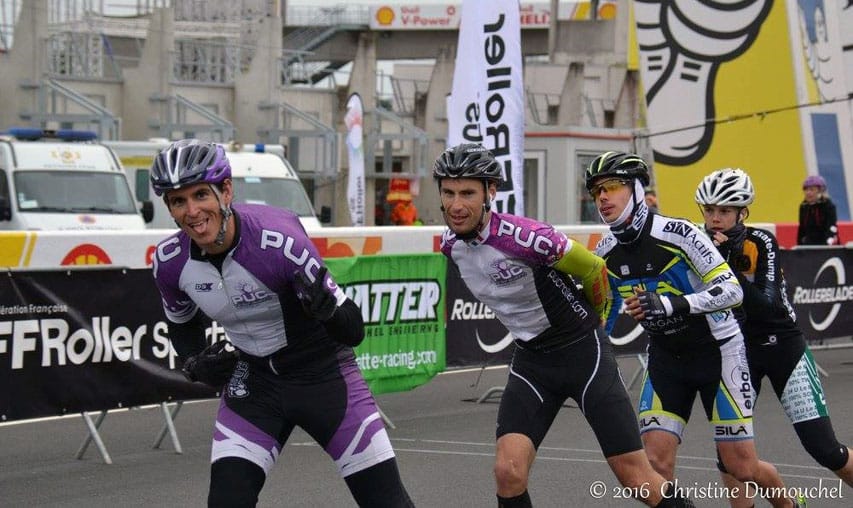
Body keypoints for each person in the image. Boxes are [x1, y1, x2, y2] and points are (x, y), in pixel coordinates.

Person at [149, 139, 413, 507]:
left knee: (387, 503)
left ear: (226, 191)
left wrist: (330, 313)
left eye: (200, 195)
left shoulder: (279, 242)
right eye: (179, 201)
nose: (192, 212)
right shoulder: (170, 262)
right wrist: (195, 362)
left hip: (323, 376)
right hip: (255, 382)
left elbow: (354, 330)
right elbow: (181, 325)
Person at [434, 143, 694, 508]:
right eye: (448, 193)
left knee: (637, 479)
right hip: (532, 362)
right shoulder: (450, 244)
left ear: (490, 192)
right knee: (508, 473)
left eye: (468, 193)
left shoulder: (527, 237)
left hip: (582, 354)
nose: (456, 205)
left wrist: (600, 318)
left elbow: (594, 269)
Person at [586, 151, 802, 508]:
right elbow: (604, 313)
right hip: (666, 358)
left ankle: (788, 503)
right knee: (653, 466)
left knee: (741, 466)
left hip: (718, 352)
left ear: (638, 190)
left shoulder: (680, 232)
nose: (603, 197)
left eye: (611, 186)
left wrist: (670, 303)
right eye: (596, 191)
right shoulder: (606, 248)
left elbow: (731, 290)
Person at [695, 168, 853, 502]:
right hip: (738, 352)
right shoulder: (697, 243)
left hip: (783, 347)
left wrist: (725, 265)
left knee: (825, 449)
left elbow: (765, 305)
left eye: (724, 211)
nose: (715, 219)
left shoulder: (760, 241)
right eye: (709, 210)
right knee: (729, 457)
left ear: (742, 212)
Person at [798, 174, 839, 245]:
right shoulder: (804, 206)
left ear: (821, 191)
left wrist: (829, 241)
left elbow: (832, 225)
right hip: (809, 245)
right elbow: (802, 228)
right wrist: (799, 245)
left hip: (826, 243)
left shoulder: (828, 205)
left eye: (812, 189)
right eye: (806, 189)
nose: (808, 192)